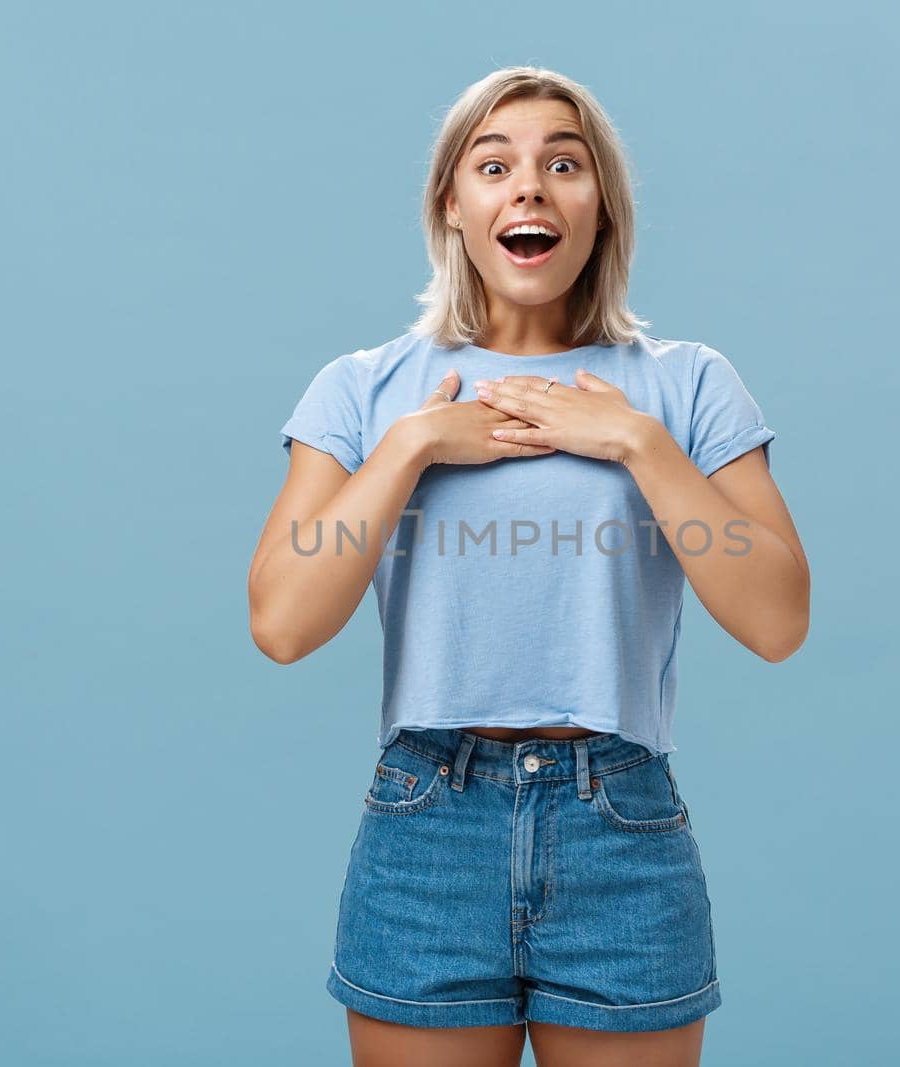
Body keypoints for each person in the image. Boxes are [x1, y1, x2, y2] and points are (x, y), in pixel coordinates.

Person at [247, 66, 810, 1067]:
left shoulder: (683, 385)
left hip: (619, 827)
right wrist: (408, 449)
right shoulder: (365, 390)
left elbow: (776, 618)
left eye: (564, 163)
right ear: (450, 206)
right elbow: (283, 622)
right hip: (427, 827)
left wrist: (639, 443)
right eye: (494, 163)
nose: (530, 187)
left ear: (602, 208)